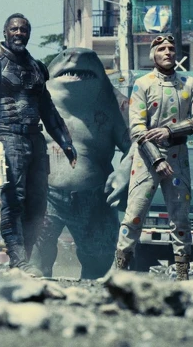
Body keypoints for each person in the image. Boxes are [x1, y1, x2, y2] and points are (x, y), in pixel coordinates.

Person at [0, 13, 76, 276]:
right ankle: (17, 259)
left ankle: (24, 260)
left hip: (35, 140)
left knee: (38, 204)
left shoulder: (37, 67)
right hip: (6, 138)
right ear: (5, 32)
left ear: (28, 34)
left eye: (23, 30)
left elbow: (47, 109)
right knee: (14, 200)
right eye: (14, 29)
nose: (19, 33)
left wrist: (65, 141)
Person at [29, 48, 131, 279]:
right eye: (66, 57)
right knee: (35, 265)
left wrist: (126, 171)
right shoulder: (31, 102)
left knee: (100, 268)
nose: (77, 59)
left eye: (90, 59)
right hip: (44, 194)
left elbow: (139, 143)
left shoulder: (116, 105)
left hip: (96, 197)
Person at [115, 35, 193, 281]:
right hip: (146, 159)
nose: (167, 52)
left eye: (171, 48)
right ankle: (120, 271)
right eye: (162, 49)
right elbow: (137, 128)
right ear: (153, 54)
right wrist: (157, 160)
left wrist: (170, 130)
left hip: (178, 157)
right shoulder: (142, 84)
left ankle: (182, 275)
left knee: (180, 218)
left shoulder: (189, 84)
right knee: (134, 215)